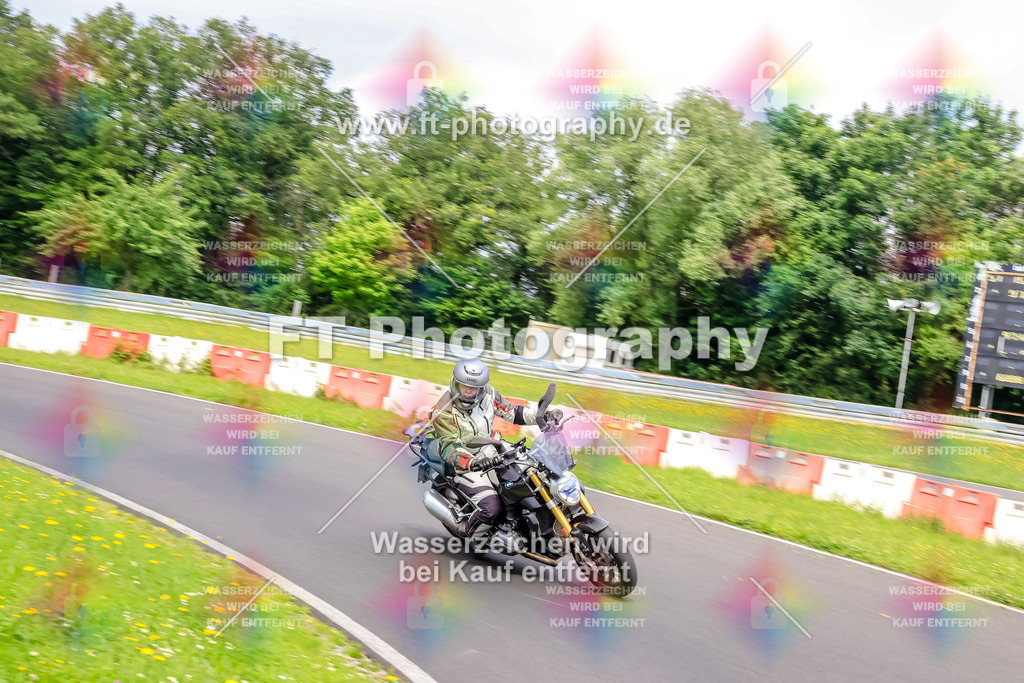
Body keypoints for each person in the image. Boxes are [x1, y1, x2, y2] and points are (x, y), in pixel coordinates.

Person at [426, 358, 560, 539]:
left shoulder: (488, 394)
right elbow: (451, 447)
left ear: (482, 389)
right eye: (463, 386)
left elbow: (512, 412)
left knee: (537, 474)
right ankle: (470, 533)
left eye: (473, 388)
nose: (468, 391)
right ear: (454, 383)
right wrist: (473, 462)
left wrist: (543, 416)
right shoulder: (443, 412)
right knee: (491, 508)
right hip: (465, 464)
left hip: (494, 449)